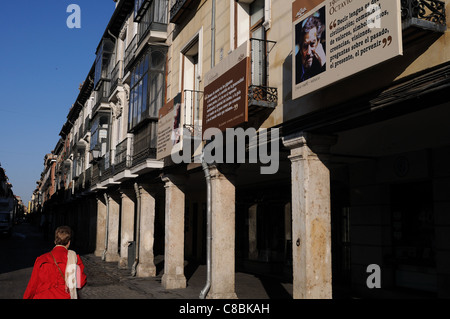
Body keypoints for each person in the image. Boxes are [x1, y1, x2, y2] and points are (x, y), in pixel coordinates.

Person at [23, 226, 87, 299]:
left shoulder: (41, 259)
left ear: (55, 241)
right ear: (69, 242)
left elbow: (32, 285)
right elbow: (80, 282)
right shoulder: (74, 258)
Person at [295, 13, 326, 84]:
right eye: (305, 46)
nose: (308, 52)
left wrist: (323, 62)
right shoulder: (295, 67)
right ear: (300, 47)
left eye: (312, 44)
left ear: (318, 42)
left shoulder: (325, 58)